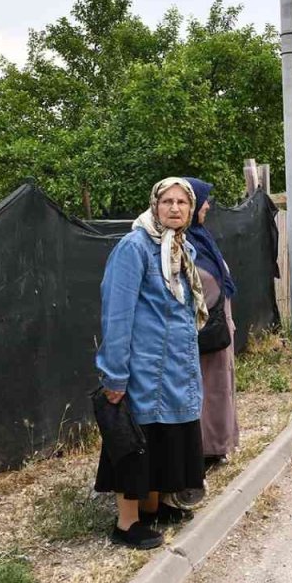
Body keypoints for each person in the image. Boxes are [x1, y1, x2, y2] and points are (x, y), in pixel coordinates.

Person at [94, 177, 209, 550]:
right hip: (142, 368)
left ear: (190, 210)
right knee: (136, 441)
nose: (174, 208)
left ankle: (154, 505)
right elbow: (117, 313)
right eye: (167, 201)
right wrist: (115, 373)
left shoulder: (181, 246)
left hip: (175, 366)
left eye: (182, 203)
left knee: (166, 436)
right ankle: (127, 523)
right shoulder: (135, 247)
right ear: (154, 205)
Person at [184, 177, 239, 468]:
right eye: (203, 200)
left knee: (221, 385)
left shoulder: (202, 238)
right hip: (200, 329)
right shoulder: (181, 244)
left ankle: (220, 443)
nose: (206, 206)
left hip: (218, 325)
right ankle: (205, 448)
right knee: (204, 387)